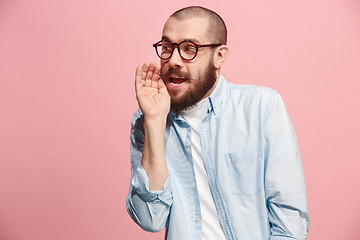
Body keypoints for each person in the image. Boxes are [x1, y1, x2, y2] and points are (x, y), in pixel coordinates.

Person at [126, 6, 309, 240]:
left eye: (189, 49)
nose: (173, 60)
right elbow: (150, 219)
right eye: (167, 47)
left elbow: (290, 221)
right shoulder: (146, 121)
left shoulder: (261, 107)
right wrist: (154, 121)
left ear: (219, 55)